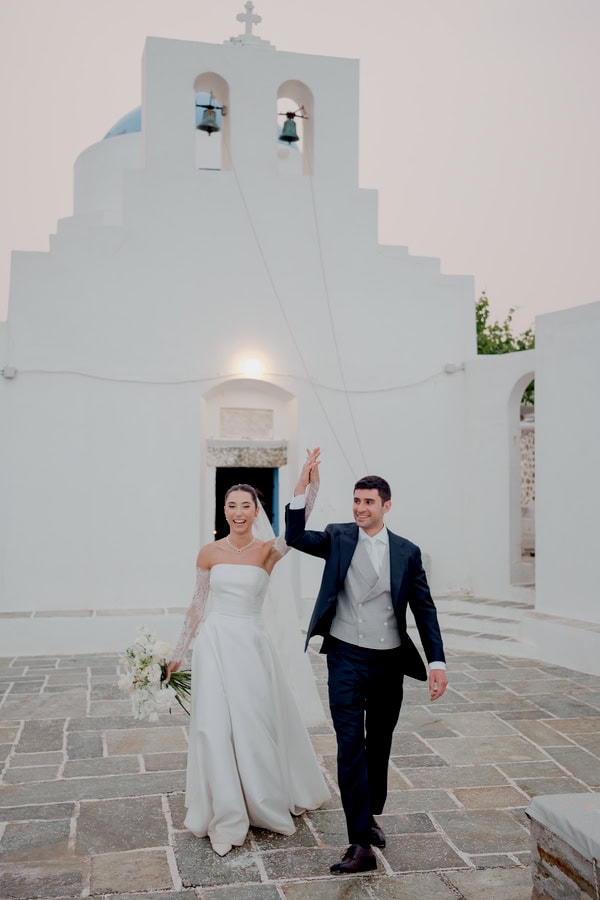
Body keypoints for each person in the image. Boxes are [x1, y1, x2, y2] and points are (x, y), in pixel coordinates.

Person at [285, 449, 448, 875]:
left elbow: (424, 610)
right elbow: (297, 536)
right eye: (356, 501)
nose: (359, 509)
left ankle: (369, 812)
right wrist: (303, 485)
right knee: (349, 746)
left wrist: (437, 662)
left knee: (379, 742)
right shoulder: (338, 537)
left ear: (386, 506)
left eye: (368, 502)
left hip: (389, 661)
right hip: (344, 656)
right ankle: (359, 843)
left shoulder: (407, 552)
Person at [166, 463, 330, 857]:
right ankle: (224, 808)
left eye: (246, 505)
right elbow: (197, 605)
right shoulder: (209, 552)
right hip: (215, 644)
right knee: (212, 728)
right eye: (232, 505)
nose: (239, 512)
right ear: (225, 510)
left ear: (257, 511)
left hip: (252, 647)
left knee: (255, 723)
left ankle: (262, 800)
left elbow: (297, 525)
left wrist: (307, 485)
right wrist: (177, 653)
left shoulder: (267, 552)